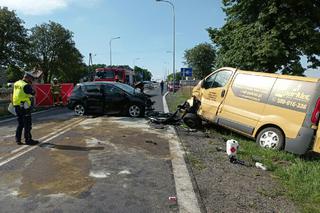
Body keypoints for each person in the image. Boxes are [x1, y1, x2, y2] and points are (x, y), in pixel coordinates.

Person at [12, 71, 40, 145]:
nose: (31, 81)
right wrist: (32, 86)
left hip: (16, 105)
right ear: (28, 78)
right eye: (31, 79)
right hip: (24, 106)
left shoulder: (17, 83)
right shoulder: (26, 85)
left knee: (20, 123)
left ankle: (18, 139)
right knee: (27, 124)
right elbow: (33, 93)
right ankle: (28, 140)